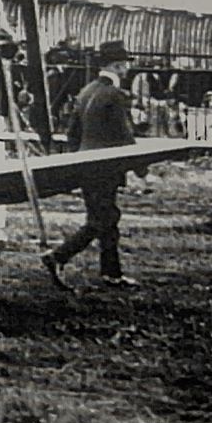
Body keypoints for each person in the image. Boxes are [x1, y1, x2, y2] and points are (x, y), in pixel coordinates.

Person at [44, 39, 140, 290]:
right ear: (118, 66)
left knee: (106, 219)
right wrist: (141, 166)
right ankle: (58, 256)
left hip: (86, 164)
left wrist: (75, 162)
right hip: (104, 167)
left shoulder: (86, 91)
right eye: (125, 65)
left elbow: (73, 133)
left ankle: (112, 274)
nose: (127, 70)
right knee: (102, 220)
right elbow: (123, 134)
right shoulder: (114, 95)